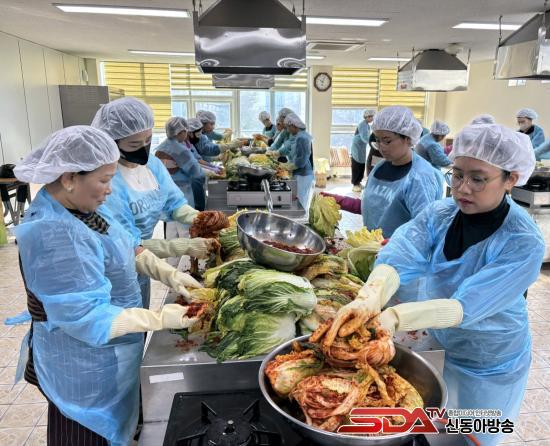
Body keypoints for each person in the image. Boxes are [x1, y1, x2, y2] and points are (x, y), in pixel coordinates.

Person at [330, 124, 543, 446]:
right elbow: (400, 255)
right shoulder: (441, 214)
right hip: (445, 341)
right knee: (441, 425)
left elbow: (466, 306)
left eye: (478, 179)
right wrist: (369, 298)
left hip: (490, 358)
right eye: (457, 175)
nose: (463, 188)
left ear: (510, 178)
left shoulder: (523, 241)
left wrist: (395, 317)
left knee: (475, 432)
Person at [13, 126, 203, 446]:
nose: (110, 190)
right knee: (88, 433)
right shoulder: (54, 233)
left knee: (118, 425)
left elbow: (126, 245)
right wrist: (160, 319)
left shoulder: (81, 206)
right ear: (69, 177)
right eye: (104, 180)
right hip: (82, 369)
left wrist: (168, 273)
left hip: (108, 352)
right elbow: (87, 317)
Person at [92, 97, 217, 309]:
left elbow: (173, 202)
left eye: (148, 140)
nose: (143, 148)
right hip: (112, 275)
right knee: (120, 322)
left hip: (141, 266)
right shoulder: (104, 180)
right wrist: (181, 246)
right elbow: (123, 244)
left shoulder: (152, 165)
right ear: (112, 141)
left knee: (140, 314)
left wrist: (199, 219)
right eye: (134, 144)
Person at [323, 106, 443, 238]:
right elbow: (373, 208)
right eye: (378, 140)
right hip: (373, 246)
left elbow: (423, 230)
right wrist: (339, 201)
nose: (381, 147)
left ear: (408, 138)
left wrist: (392, 245)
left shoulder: (420, 177)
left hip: (400, 250)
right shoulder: (380, 167)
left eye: (387, 141)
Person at [155, 117, 208, 249]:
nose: (187, 134)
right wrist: (209, 173)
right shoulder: (180, 150)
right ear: (180, 132)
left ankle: (171, 260)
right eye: (185, 131)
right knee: (186, 233)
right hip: (182, 195)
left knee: (171, 235)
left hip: (166, 196)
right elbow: (197, 173)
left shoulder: (161, 147)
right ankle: (186, 261)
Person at [280, 113, 315, 211]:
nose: (288, 130)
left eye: (288, 127)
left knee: (301, 203)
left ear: (293, 125)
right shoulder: (298, 136)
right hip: (300, 174)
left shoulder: (301, 138)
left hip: (303, 175)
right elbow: (291, 150)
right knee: (299, 201)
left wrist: (289, 166)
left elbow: (301, 160)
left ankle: (301, 219)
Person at [350, 109, 376, 192]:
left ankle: (358, 182)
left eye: (372, 117)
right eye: (371, 117)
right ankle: (355, 184)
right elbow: (364, 137)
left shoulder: (367, 125)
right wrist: (372, 143)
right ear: (366, 117)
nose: (372, 118)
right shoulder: (362, 125)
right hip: (357, 148)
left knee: (361, 165)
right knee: (356, 165)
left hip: (361, 148)